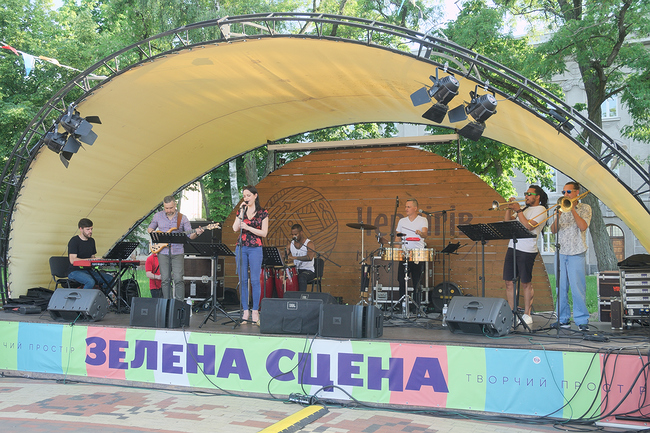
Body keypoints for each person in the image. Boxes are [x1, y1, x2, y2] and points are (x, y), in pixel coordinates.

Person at [502, 185, 548, 327]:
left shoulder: (541, 210)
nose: (526, 196)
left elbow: (529, 226)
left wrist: (518, 210)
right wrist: (509, 208)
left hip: (527, 250)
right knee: (509, 281)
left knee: (525, 282)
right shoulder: (524, 209)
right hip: (513, 247)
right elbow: (507, 222)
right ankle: (512, 312)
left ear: (537, 196)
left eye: (529, 194)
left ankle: (527, 314)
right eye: (525, 193)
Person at [550, 181, 592, 331]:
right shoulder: (559, 208)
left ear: (576, 193)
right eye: (564, 192)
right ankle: (562, 319)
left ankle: (581, 321)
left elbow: (583, 226)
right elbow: (553, 230)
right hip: (561, 252)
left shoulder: (585, 208)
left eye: (568, 192)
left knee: (577, 288)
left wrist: (572, 209)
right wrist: (559, 214)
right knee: (560, 288)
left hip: (576, 251)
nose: (565, 195)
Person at [147, 196, 203, 300]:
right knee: (165, 279)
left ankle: (179, 304)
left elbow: (190, 236)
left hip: (178, 252)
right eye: (166, 208)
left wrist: (197, 233)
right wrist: (153, 232)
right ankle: (167, 303)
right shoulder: (158, 216)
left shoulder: (183, 218)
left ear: (175, 205)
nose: (168, 210)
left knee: (178, 279)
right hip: (162, 252)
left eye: (171, 208)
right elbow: (150, 228)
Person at [232, 185, 268, 324]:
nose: (246, 198)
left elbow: (264, 233)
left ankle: (255, 311)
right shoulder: (241, 210)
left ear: (255, 196)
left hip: (255, 248)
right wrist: (240, 213)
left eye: (248, 195)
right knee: (243, 280)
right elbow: (235, 228)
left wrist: (248, 227)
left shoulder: (263, 212)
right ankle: (245, 311)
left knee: (254, 280)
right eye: (244, 196)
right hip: (241, 247)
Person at [395, 198, 428, 309]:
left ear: (415, 208)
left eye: (408, 207)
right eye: (405, 207)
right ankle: (402, 306)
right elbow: (398, 237)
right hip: (405, 254)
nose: (406, 209)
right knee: (401, 280)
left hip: (417, 254)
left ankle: (416, 307)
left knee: (417, 281)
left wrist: (420, 233)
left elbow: (425, 234)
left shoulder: (422, 220)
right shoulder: (402, 221)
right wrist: (397, 251)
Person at [67, 218, 111, 291]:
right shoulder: (74, 241)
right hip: (75, 271)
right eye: (88, 229)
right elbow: (72, 260)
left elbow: (92, 257)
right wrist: (92, 259)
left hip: (89, 271)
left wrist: (100, 261)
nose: (90, 231)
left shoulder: (91, 241)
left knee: (110, 279)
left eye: (91, 229)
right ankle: (84, 298)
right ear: (81, 229)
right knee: (90, 281)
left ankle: (100, 296)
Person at [286, 224, 316, 291]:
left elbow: (310, 257)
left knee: (302, 277)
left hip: (308, 270)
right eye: (292, 234)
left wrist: (295, 258)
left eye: (295, 234)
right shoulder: (291, 244)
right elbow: (284, 256)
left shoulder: (309, 243)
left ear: (301, 232)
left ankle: (302, 296)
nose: (293, 236)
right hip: (296, 270)